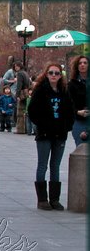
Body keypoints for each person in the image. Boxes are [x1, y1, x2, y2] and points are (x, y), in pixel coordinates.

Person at [28, 63, 74, 211]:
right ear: (46, 74)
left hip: (60, 134)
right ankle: (42, 199)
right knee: (43, 165)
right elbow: (33, 111)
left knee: (55, 166)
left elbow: (70, 111)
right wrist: (42, 125)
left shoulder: (64, 91)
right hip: (45, 134)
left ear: (61, 76)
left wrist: (67, 127)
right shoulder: (41, 90)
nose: (54, 75)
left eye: (57, 73)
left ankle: (55, 199)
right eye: (51, 73)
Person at [68, 55, 89, 147]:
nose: (82, 65)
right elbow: (69, 103)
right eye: (80, 63)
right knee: (81, 149)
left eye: (85, 63)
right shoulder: (72, 84)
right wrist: (78, 112)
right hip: (79, 121)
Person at [14, 61, 31, 134]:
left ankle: (21, 129)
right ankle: (27, 128)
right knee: (25, 111)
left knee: (20, 112)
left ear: (18, 66)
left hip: (22, 93)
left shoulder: (20, 74)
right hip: (26, 92)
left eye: (16, 66)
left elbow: (19, 85)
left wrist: (17, 95)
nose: (15, 68)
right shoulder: (25, 73)